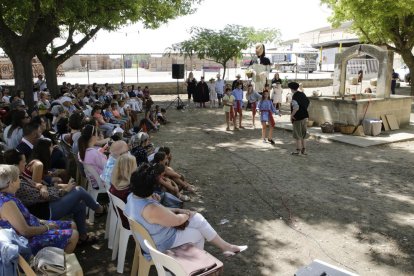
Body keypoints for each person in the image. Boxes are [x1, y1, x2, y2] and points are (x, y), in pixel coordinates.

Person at [125, 165, 248, 257]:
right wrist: (186, 213)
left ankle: (226, 247)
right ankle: (196, 266)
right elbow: (177, 221)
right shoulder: (151, 208)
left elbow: (159, 214)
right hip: (159, 244)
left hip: (150, 238)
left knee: (197, 220)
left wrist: (178, 209)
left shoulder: (132, 197)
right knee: (198, 233)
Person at [4, 150, 104, 246]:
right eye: (24, 162)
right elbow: (45, 197)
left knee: (80, 204)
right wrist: (65, 190)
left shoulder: (20, 177)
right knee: (79, 190)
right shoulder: (18, 185)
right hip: (44, 212)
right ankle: (100, 209)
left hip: (45, 205)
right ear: (15, 166)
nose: (26, 164)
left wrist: (43, 187)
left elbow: (38, 185)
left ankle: (82, 237)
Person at [0, 164, 78, 254]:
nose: (20, 181)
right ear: (11, 183)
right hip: (28, 241)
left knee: (72, 225)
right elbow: (25, 231)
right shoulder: (7, 203)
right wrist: (47, 227)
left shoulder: (9, 196)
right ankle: (57, 264)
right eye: (18, 178)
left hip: (36, 226)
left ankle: (63, 255)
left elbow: (27, 217)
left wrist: (41, 221)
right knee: (74, 235)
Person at [289, 82, 310, 155]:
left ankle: (298, 151)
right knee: (303, 134)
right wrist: (303, 109)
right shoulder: (303, 94)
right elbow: (308, 102)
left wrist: (291, 116)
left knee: (298, 135)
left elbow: (296, 108)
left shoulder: (295, 96)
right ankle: (304, 150)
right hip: (305, 116)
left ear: (291, 89)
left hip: (298, 118)